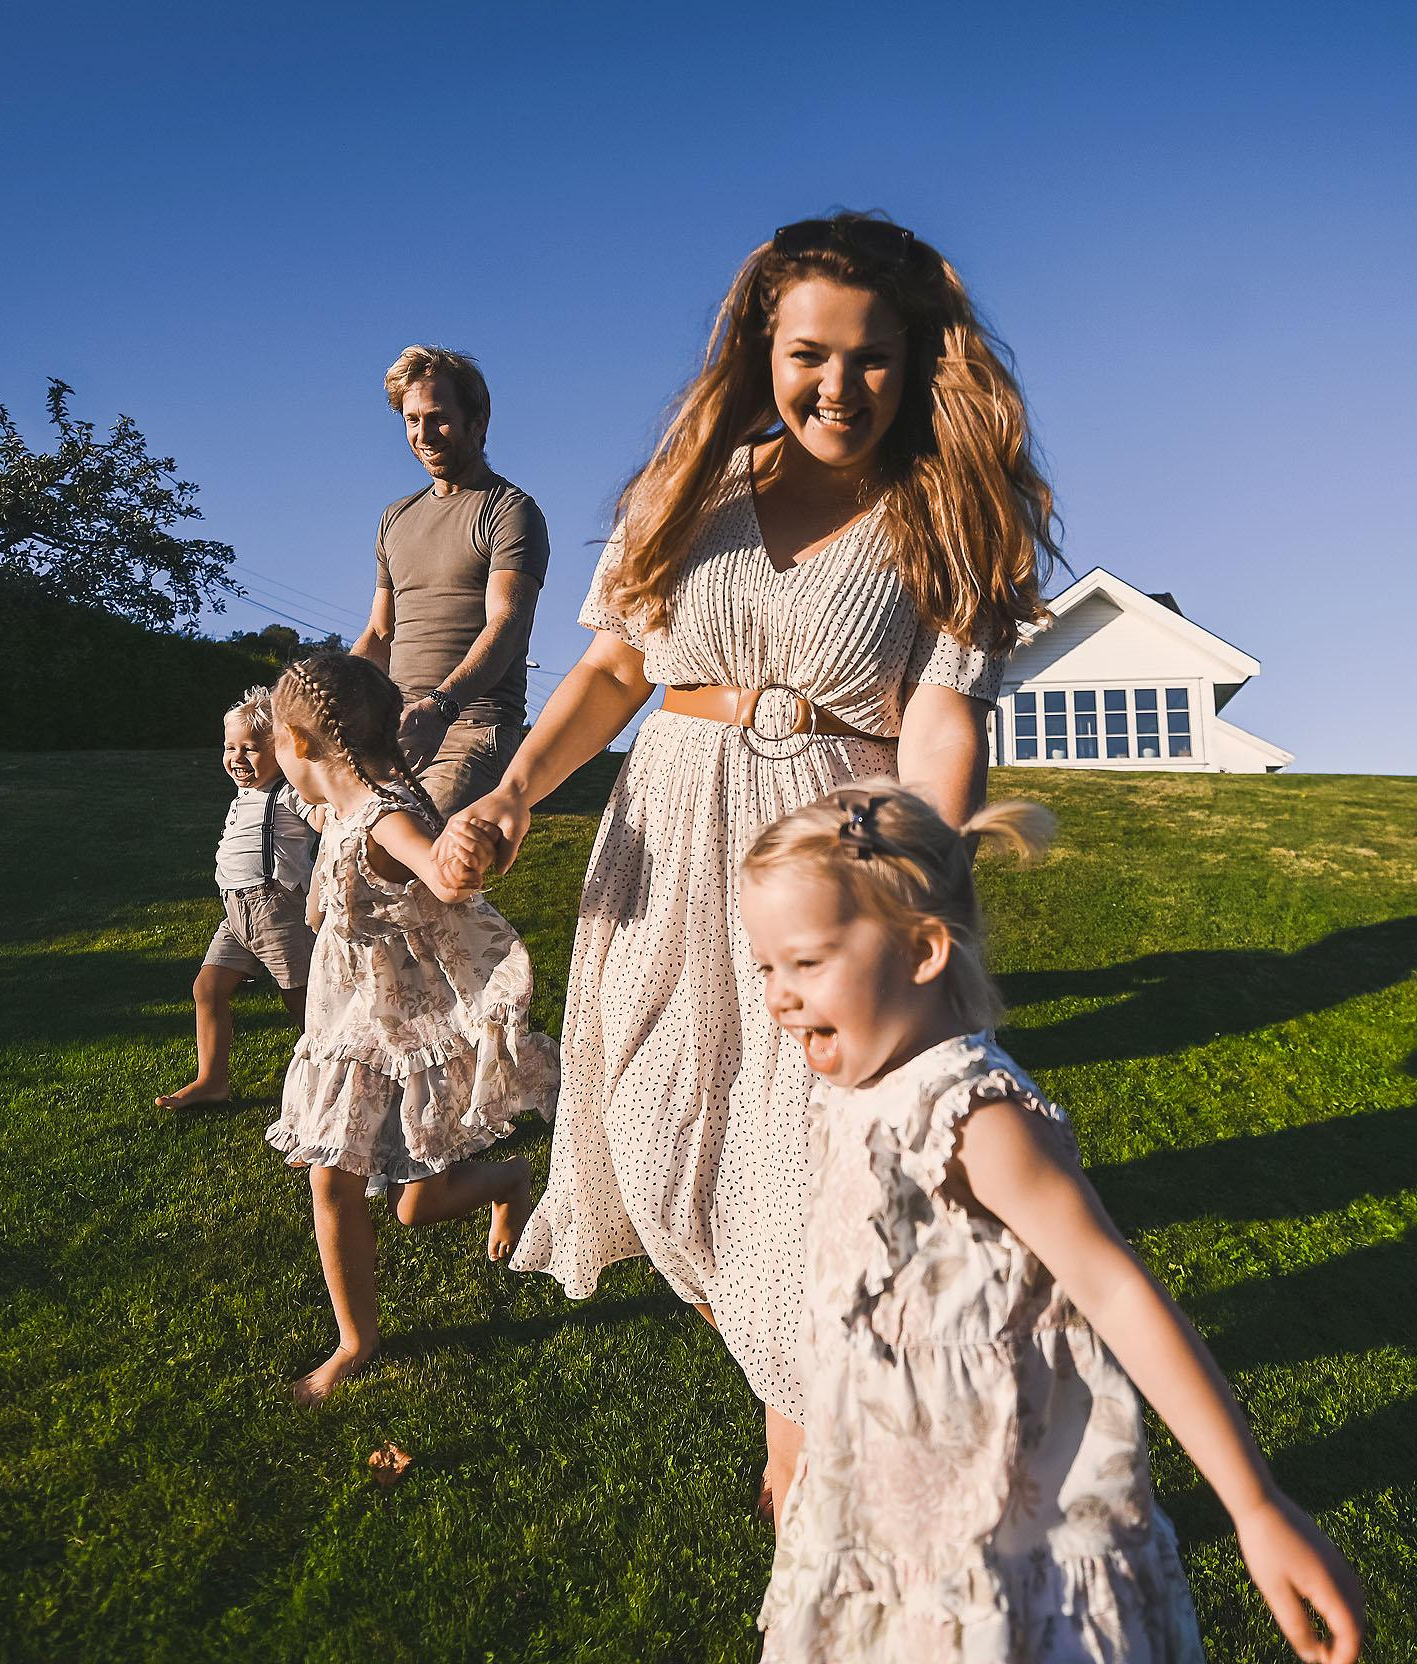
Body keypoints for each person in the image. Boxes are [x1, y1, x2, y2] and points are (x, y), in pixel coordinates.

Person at [436, 212, 1057, 1518]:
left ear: (918, 361)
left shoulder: (947, 517)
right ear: (762, 354)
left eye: (873, 358)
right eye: (810, 354)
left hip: (832, 862)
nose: (840, 385)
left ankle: (804, 1441)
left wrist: (921, 870)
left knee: (815, 1161)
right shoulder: (692, 489)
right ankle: (815, 1375)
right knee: (666, 1141)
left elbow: (942, 713)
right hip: (667, 844)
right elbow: (613, 669)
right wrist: (509, 795)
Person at [739, 783, 1366, 1664]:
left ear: (923, 950)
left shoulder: (976, 1117)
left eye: (805, 964)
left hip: (1000, 1526)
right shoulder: (853, 1097)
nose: (778, 997)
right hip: (881, 1509)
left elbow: (1117, 1291)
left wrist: (1254, 1503)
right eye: (766, 967)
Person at [264, 652, 561, 1405]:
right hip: (349, 1031)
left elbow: (434, 868)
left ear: (299, 745)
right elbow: (323, 836)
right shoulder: (330, 808)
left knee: (416, 1204)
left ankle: (508, 1180)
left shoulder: (385, 815)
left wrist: (456, 858)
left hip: (410, 1033)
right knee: (332, 1178)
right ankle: (356, 1340)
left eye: (272, 743)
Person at [353, 345, 551, 816]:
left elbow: (507, 624)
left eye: (437, 417)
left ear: (477, 421)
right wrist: (330, 701)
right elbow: (380, 634)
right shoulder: (394, 518)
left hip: (471, 729)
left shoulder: (509, 510)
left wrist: (440, 707)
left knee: (420, 870)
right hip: (396, 733)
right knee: (340, 877)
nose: (423, 434)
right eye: (411, 420)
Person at [156, 686, 319, 1111]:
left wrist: (334, 807)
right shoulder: (244, 797)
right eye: (230, 748)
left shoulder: (289, 793)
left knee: (305, 1007)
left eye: (250, 749)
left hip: (278, 909)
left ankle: (326, 1095)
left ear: (281, 751)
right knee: (207, 989)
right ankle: (212, 1080)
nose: (237, 758)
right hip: (236, 913)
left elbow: (323, 815)